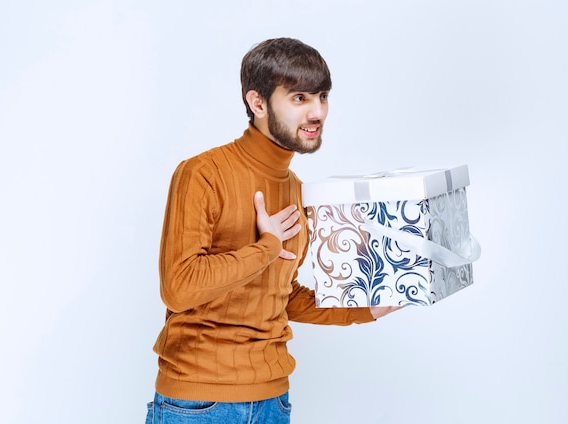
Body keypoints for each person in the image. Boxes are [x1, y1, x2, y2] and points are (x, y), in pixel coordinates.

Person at [145, 37, 402, 424]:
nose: (317, 111)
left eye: (322, 96)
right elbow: (179, 287)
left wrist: (363, 308)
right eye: (299, 98)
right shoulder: (202, 174)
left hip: (273, 401)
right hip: (198, 404)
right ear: (258, 103)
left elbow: (281, 295)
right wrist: (265, 247)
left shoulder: (296, 188)